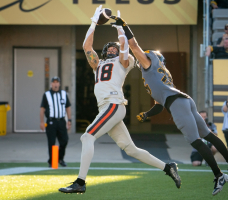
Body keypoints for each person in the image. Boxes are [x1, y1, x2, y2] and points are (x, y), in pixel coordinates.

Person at [111, 11, 228, 196]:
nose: (142, 59)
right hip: (185, 101)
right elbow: (159, 103)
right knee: (208, 135)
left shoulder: (149, 65)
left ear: (152, 58)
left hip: (178, 105)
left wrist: (124, 26)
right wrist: (148, 114)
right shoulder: (158, 73)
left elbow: (134, 45)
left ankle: (219, 174)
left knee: (195, 141)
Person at [58, 6, 181, 194]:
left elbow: (125, 50)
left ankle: (80, 182)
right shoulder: (97, 64)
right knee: (131, 149)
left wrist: (121, 29)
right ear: (106, 51)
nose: (113, 49)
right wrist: (93, 22)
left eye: (115, 47)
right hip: (107, 108)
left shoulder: (124, 61)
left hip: (114, 105)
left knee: (87, 136)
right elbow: (87, 47)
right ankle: (168, 167)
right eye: (110, 47)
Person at [40, 76, 71, 167]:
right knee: (51, 142)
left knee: (64, 141)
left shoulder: (64, 94)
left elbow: (68, 107)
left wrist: (69, 119)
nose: (55, 84)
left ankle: (60, 158)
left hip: (61, 121)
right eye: (54, 82)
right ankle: (52, 161)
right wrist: (42, 122)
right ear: (51, 84)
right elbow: (42, 109)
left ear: (59, 84)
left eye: (57, 82)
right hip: (51, 122)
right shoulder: (47, 94)